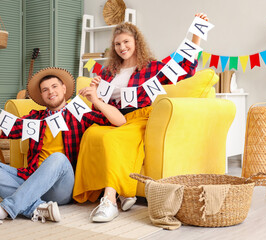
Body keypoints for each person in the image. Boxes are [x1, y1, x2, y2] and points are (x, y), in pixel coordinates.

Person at [73, 13, 209, 222]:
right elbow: (102, 105)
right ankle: (121, 193)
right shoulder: (109, 72)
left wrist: (196, 34)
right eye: (117, 44)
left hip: (140, 118)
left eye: (126, 41)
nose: (122, 47)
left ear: (136, 42)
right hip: (114, 118)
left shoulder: (151, 68)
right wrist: (96, 91)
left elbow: (185, 69)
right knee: (91, 134)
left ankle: (109, 201)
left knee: (113, 139)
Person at [0, 67, 126, 226]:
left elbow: (120, 121)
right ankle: (37, 208)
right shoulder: (35, 119)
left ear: (63, 88)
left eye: (54, 86)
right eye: (45, 89)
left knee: (58, 158)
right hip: (31, 177)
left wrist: (96, 100)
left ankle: (3, 210)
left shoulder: (78, 113)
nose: (51, 92)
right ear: (41, 95)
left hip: (62, 187)